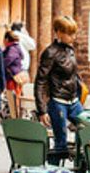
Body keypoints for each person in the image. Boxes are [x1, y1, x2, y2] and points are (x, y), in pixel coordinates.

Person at [35, 16, 83, 164]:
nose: (73, 37)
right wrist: (42, 110)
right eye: (70, 33)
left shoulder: (70, 50)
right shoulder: (50, 53)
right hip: (58, 102)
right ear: (59, 32)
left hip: (74, 101)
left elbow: (74, 74)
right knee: (60, 143)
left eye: (74, 33)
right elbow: (41, 81)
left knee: (87, 131)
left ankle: (81, 170)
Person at [3, 31, 24, 117]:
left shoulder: (12, 49)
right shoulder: (14, 47)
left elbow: (7, 61)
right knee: (14, 99)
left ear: (7, 39)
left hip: (12, 77)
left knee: (13, 100)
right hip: (14, 76)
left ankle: (15, 118)